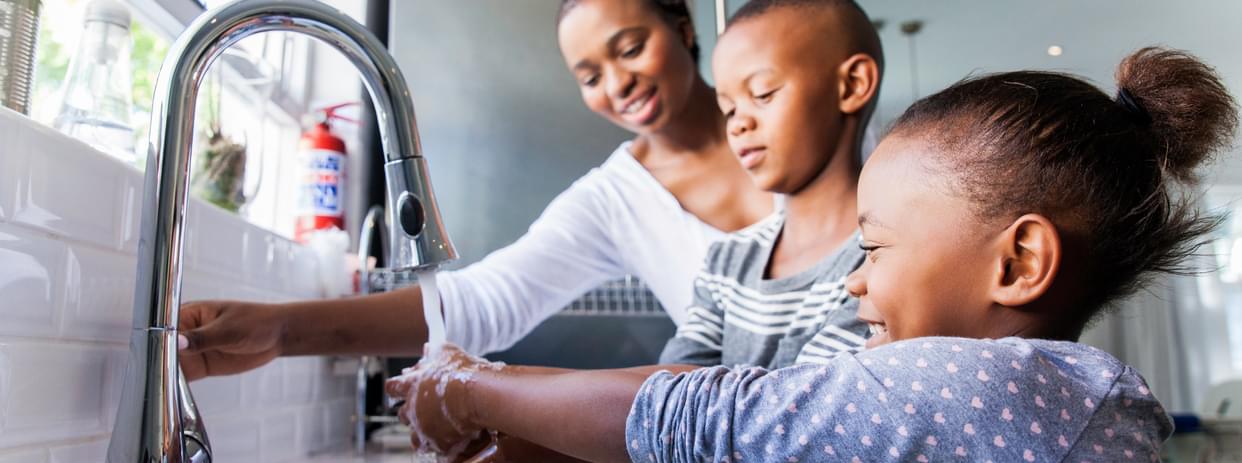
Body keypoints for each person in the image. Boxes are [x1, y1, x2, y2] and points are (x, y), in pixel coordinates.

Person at [385, 30, 1237, 463]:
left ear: (1016, 264)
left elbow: (701, 414)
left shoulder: (981, 384)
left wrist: (471, 385)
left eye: (878, 250)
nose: (857, 284)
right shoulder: (1043, 391)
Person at [175, 0, 773, 380]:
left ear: (683, 26)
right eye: (589, 77)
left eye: (631, 48)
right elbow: (484, 301)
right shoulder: (613, 200)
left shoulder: (785, 115)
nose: (618, 84)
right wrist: (282, 331)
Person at [655, 0, 882, 370]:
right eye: (728, 108)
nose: (737, 124)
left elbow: (794, 407)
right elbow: (669, 394)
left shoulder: (881, 260)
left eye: (762, 94)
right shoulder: (726, 261)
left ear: (852, 84)